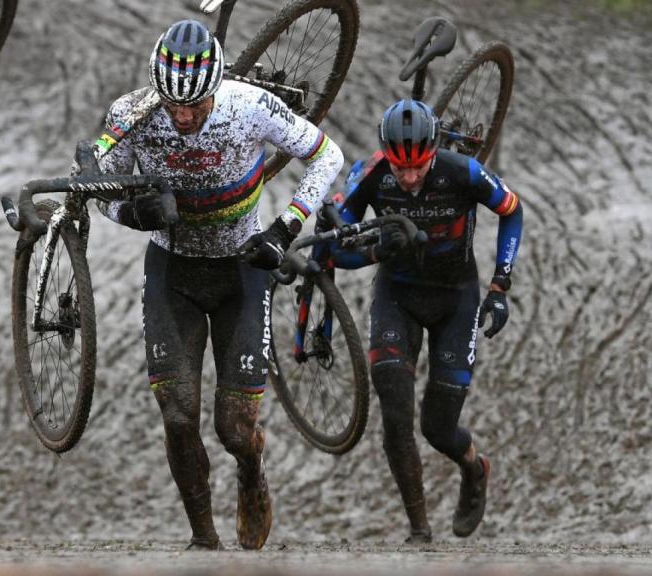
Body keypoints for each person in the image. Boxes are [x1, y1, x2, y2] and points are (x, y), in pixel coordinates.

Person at [95, 20, 344, 550]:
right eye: (173, 105)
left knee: (234, 429)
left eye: (197, 106)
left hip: (242, 272)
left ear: (216, 88)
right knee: (178, 416)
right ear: (155, 90)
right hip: (173, 272)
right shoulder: (130, 115)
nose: (184, 117)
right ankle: (204, 540)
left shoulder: (249, 105)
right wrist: (131, 213)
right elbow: (100, 190)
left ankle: (252, 468)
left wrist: (286, 226)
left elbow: (328, 155)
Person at [330, 99, 523, 542]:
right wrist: (378, 250)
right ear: (387, 156)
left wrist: (500, 286)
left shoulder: (462, 172)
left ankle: (475, 468)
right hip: (397, 296)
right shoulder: (373, 175)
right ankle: (419, 529)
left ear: (434, 152)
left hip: (457, 298)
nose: (410, 178)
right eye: (401, 169)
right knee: (395, 413)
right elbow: (335, 250)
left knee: (437, 427)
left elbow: (512, 211)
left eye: (419, 168)